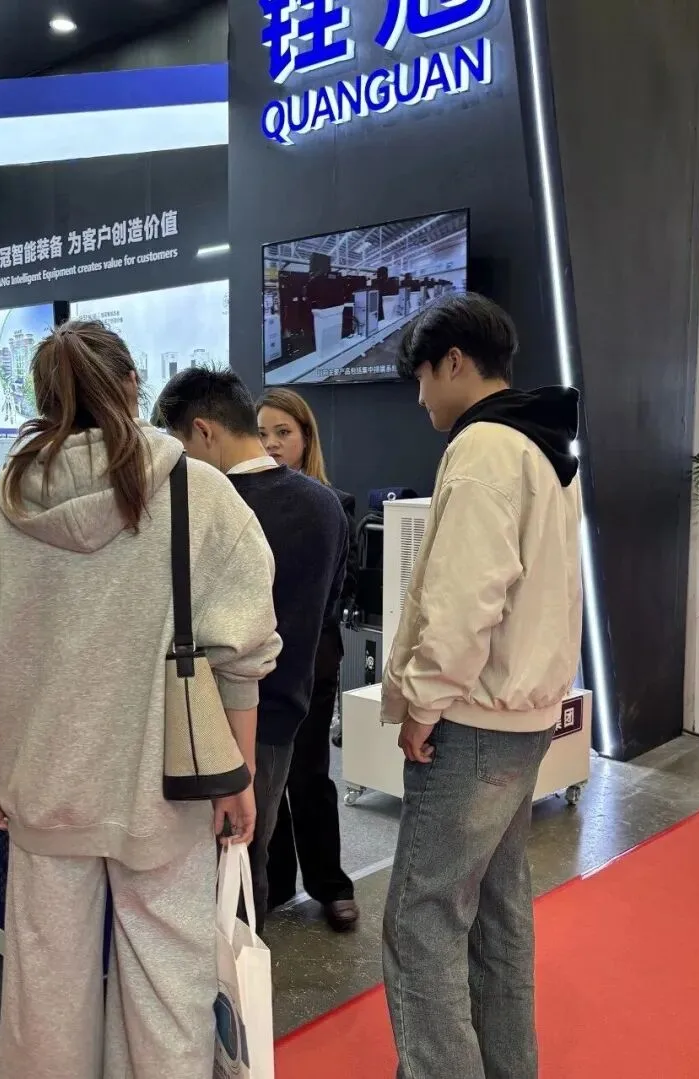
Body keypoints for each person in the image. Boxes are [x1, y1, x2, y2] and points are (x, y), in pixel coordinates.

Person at [0, 321, 281, 1078]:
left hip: (46, 784)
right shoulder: (198, 492)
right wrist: (237, 774)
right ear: (132, 384)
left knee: (45, 995)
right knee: (167, 992)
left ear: (44, 399)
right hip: (164, 787)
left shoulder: (8, 504)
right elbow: (243, 653)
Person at [380, 293, 582, 1079]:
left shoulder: (485, 447)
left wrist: (422, 701)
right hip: (524, 715)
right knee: (497, 911)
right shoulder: (541, 443)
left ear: (455, 362)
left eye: (421, 376)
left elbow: (465, 599)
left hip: (472, 719)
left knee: (422, 918)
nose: (419, 395)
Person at [155, 368, 349, 934]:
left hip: (205, 717)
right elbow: (330, 606)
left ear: (203, 431)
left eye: (180, 444)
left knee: (205, 865)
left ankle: (215, 980)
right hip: (285, 712)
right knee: (248, 856)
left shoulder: (203, 507)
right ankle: (245, 975)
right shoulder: (327, 505)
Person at [257, 387, 360, 932]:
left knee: (310, 774)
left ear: (305, 437)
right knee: (264, 776)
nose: (272, 444)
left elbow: (339, 591)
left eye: (283, 433)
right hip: (256, 660)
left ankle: (330, 884)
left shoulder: (333, 503)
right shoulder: (240, 501)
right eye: (263, 433)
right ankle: (273, 883)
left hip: (313, 658)